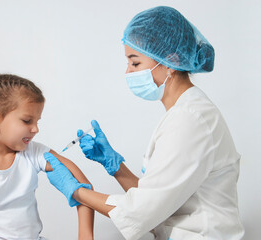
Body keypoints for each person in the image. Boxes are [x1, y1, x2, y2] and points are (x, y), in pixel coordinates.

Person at [44, 6, 244, 240]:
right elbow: (156, 200)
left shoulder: (190, 120)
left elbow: (141, 212)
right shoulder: (182, 113)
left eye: (135, 63)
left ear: (171, 61)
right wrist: (116, 166)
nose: (128, 71)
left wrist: (76, 191)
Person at [0, 74, 94, 240]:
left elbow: (83, 185)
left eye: (37, 122)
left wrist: (85, 235)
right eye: (27, 121)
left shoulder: (34, 153)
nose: (35, 129)